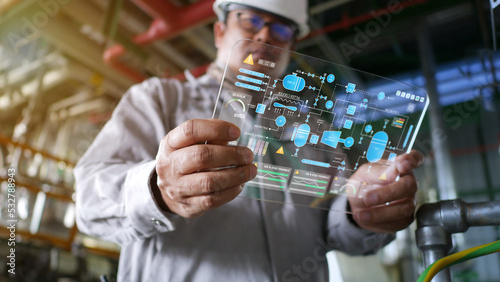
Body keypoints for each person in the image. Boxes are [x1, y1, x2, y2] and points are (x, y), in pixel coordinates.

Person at [74, 0, 423, 281]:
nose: (267, 36)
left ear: (291, 45)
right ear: (220, 30)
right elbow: (89, 204)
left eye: (282, 29)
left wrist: (360, 209)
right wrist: (157, 190)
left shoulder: (313, 127)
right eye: (251, 21)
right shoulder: (158, 100)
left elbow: (332, 231)